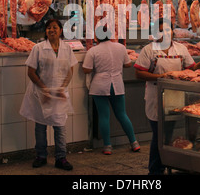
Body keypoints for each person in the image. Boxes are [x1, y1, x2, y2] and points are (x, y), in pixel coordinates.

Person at [134, 18, 200, 175]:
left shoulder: (180, 49)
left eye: (167, 30)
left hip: (175, 98)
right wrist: (162, 77)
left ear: (172, 31)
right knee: (159, 135)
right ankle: (155, 170)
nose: (164, 33)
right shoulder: (149, 50)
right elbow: (138, 73)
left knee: (168, 134)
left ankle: (166, 164)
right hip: (155, 97)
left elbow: (190, 70)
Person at [20, 18, 77, 170]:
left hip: (59, 94)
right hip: (41, 93)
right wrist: (43, 88)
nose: (51, 30)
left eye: (54, 27)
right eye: (48, 28)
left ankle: (61, 158)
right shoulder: (38, 48)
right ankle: (41, 156)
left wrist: (63, 87)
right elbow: (31, 72)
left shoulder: (67, 48)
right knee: (40, 126)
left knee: (60, 127)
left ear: (60, 31)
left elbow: (71, 70)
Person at [82, 26, 140, 155]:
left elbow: (86, 69)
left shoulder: (93, 51)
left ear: (96, 37)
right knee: (121, 114)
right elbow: (128, 64)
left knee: (104, 116)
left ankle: (107, 146)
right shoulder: (120, 47)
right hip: (117, 84)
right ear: (110, 35)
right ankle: (134, 143)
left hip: (100, 85)